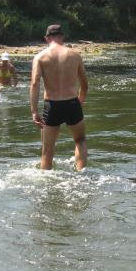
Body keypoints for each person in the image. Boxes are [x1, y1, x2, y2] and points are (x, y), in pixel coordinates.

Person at [30, 24, 89, 171]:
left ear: (46, 38)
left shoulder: (40, 57)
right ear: (62, 37)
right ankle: (81, 174)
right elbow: (84, 84)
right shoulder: (75, 55)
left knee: (47, 150)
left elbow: (35, 83)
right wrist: (80, 101)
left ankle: (45, 179)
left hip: (51, 105)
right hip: (72, 103)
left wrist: (34, 111)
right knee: (80, 140)